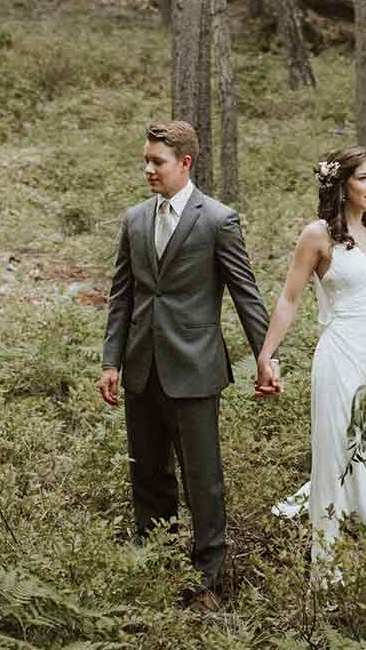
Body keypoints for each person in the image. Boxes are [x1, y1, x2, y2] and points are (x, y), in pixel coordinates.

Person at [97, 121, 280, 611]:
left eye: (157, 161)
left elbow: (246, 294)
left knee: (203, 479)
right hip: (141, 368)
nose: (148, 169)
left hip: (196, 369)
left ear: (185, 163)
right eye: (145, 160)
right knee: (147, 475)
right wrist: (111, 360)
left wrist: (266, 356)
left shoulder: (217, 220)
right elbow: (122, 296)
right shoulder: (135, 219)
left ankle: (206, 579)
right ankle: (155, 565)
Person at [258, 146, 366, 605]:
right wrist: (267, 354)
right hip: (341, 358)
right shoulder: (318, 235)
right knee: (341, 459)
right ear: (341, 184)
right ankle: (334, 580)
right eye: (363, 178)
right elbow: (289, 298)